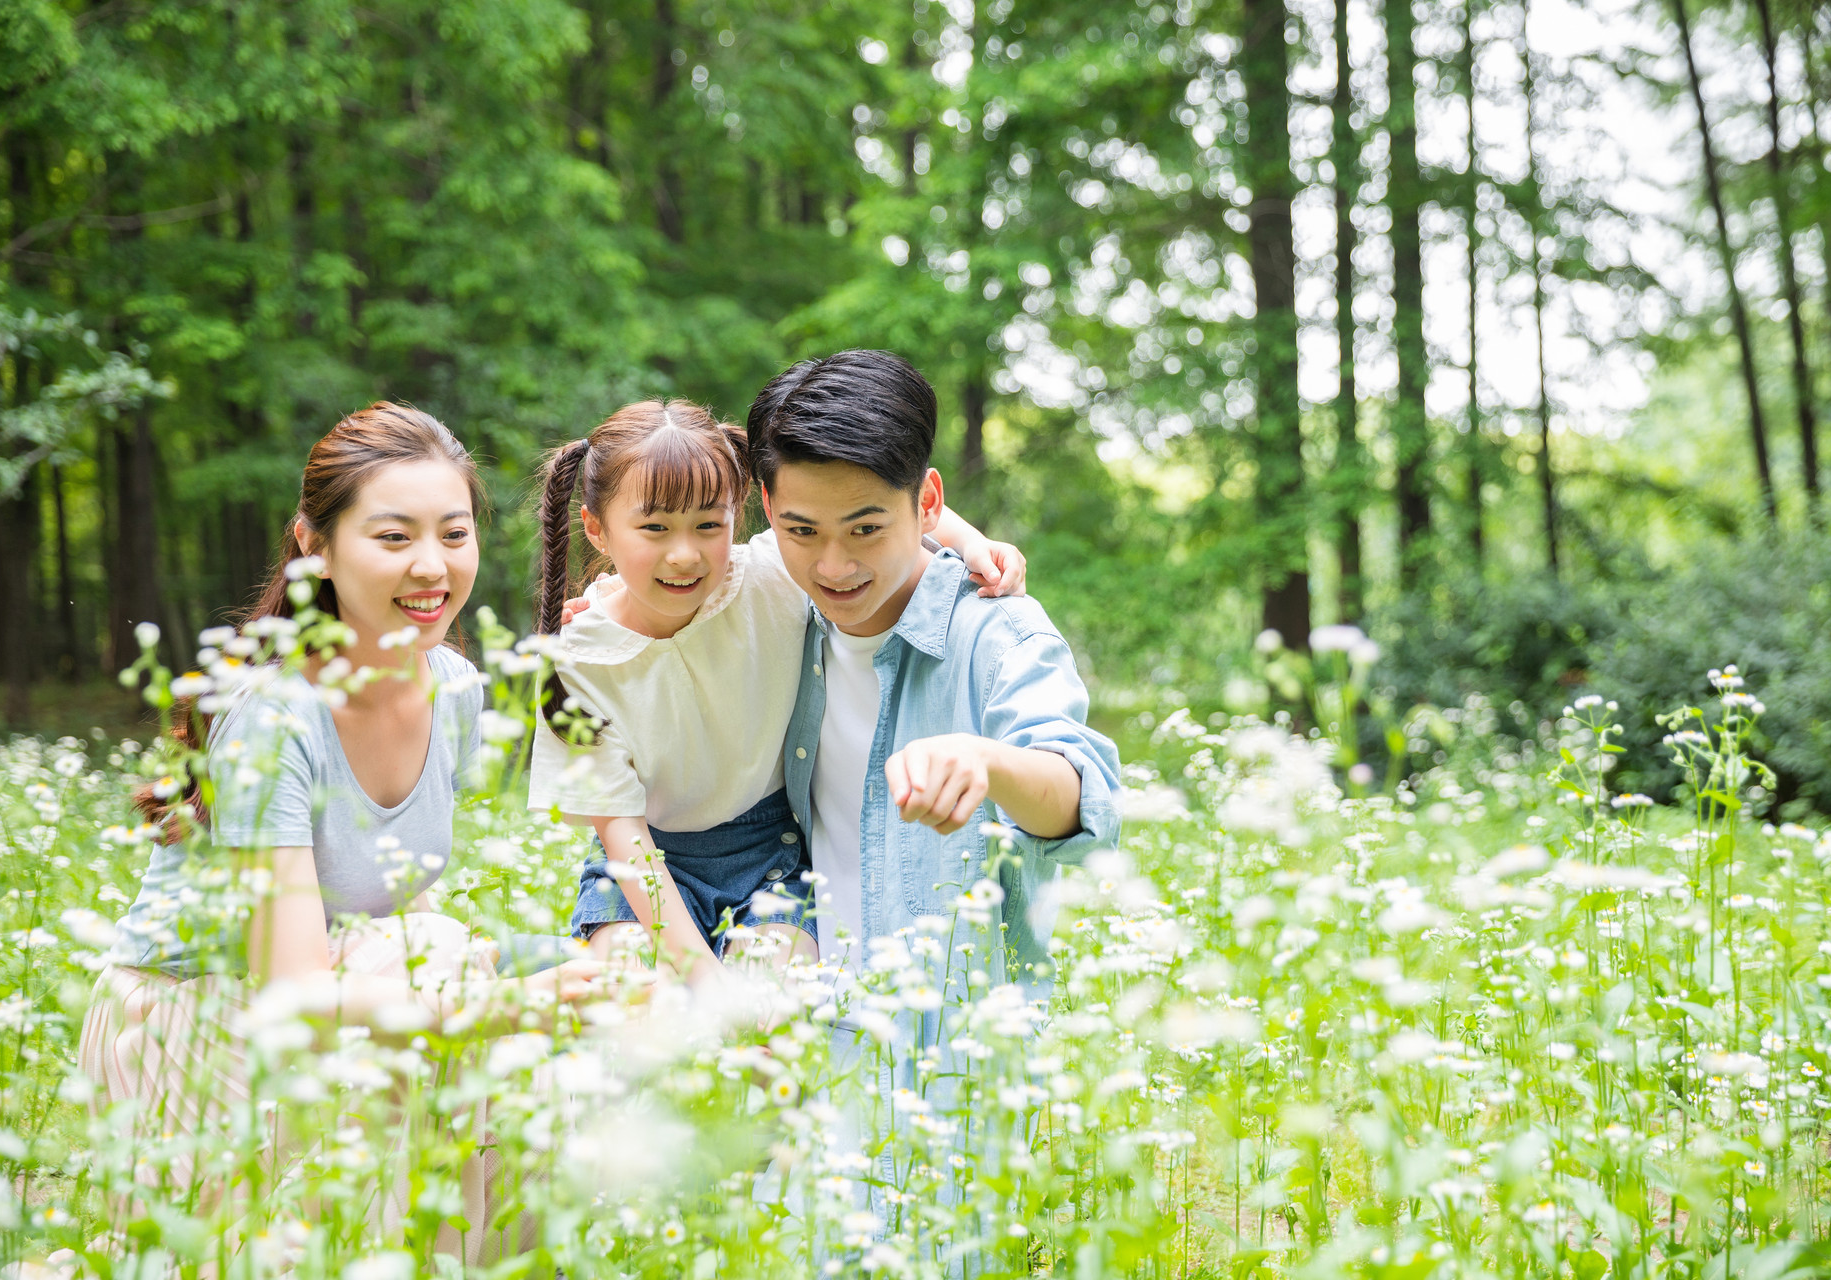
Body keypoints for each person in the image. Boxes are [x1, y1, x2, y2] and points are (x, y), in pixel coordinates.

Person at [80, 403, 603, 1262]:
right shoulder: (275, 718)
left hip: (348, 1010)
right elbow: (292, 994)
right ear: (314, 544)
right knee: (462, 999)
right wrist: (491, 1002)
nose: (432, 566)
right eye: (393, 538)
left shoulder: (456, 688)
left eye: (454, 533)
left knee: (502, 1020)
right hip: (204, 1025)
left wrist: (529, 974)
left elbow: (399, 904)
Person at [527, 400, 1027, 988]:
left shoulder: (769, 578)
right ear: (596, 528)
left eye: (708, 525)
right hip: (643, 867)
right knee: (635, 1012)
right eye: (654, 528)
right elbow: (623, 839)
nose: (684, 553)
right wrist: (700, 980)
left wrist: (972, 545)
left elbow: (871, 505)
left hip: (772, 856)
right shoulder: (579, 658)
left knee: (767, 1021)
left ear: (741, 516)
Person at [748, 350, 1122, 996]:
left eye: (865, 529)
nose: (833, 567)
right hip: (813, 1044)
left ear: (928, 504)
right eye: (802, 530)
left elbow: (1084, 803)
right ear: (767, 506)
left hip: (954, 1058)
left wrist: (989, 762)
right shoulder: (771, 603)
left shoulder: (1000, 634)